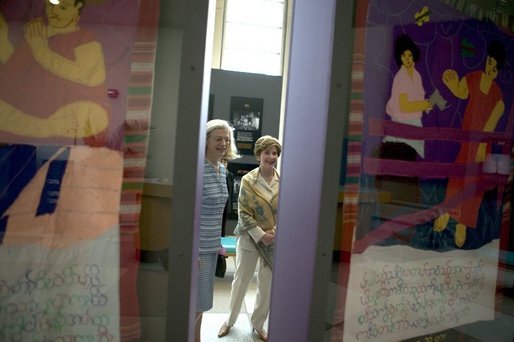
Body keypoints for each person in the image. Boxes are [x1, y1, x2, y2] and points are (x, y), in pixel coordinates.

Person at [434, 40, 506, 247]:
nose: (490, 68)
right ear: (487, 61)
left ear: (498, 70)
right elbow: (461, 92)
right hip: (466, 141)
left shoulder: (498, 97)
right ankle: (448, 211)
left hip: (481, 144)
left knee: (474, 185)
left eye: (495, 66)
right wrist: (452, 83)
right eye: (489, 62)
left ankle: (463, 223)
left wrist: (482, 149)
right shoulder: (474, 77)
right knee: (457, 176)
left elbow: (490, 126)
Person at [218, 135, 282, 342]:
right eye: (267, 153)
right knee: (241, 281)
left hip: (274, 240)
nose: (271, 157)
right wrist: (261, 234)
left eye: (275, 153)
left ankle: (258, 324)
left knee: (267, 284)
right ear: (258, 155)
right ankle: (229, 320)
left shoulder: (283, 180)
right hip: (249, 238)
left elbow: (287, 210)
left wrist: (276, 232)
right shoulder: (248, 180)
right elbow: (243, 212)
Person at [196, 119, 239, 342]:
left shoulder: (222, 170)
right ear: (206, 140)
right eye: (218, 139)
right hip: (198, 248)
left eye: (226, 139)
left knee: (202, 302)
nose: (223, 143)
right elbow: (189, 213)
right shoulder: (197, 169)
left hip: (212, 247)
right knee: (194, 302)